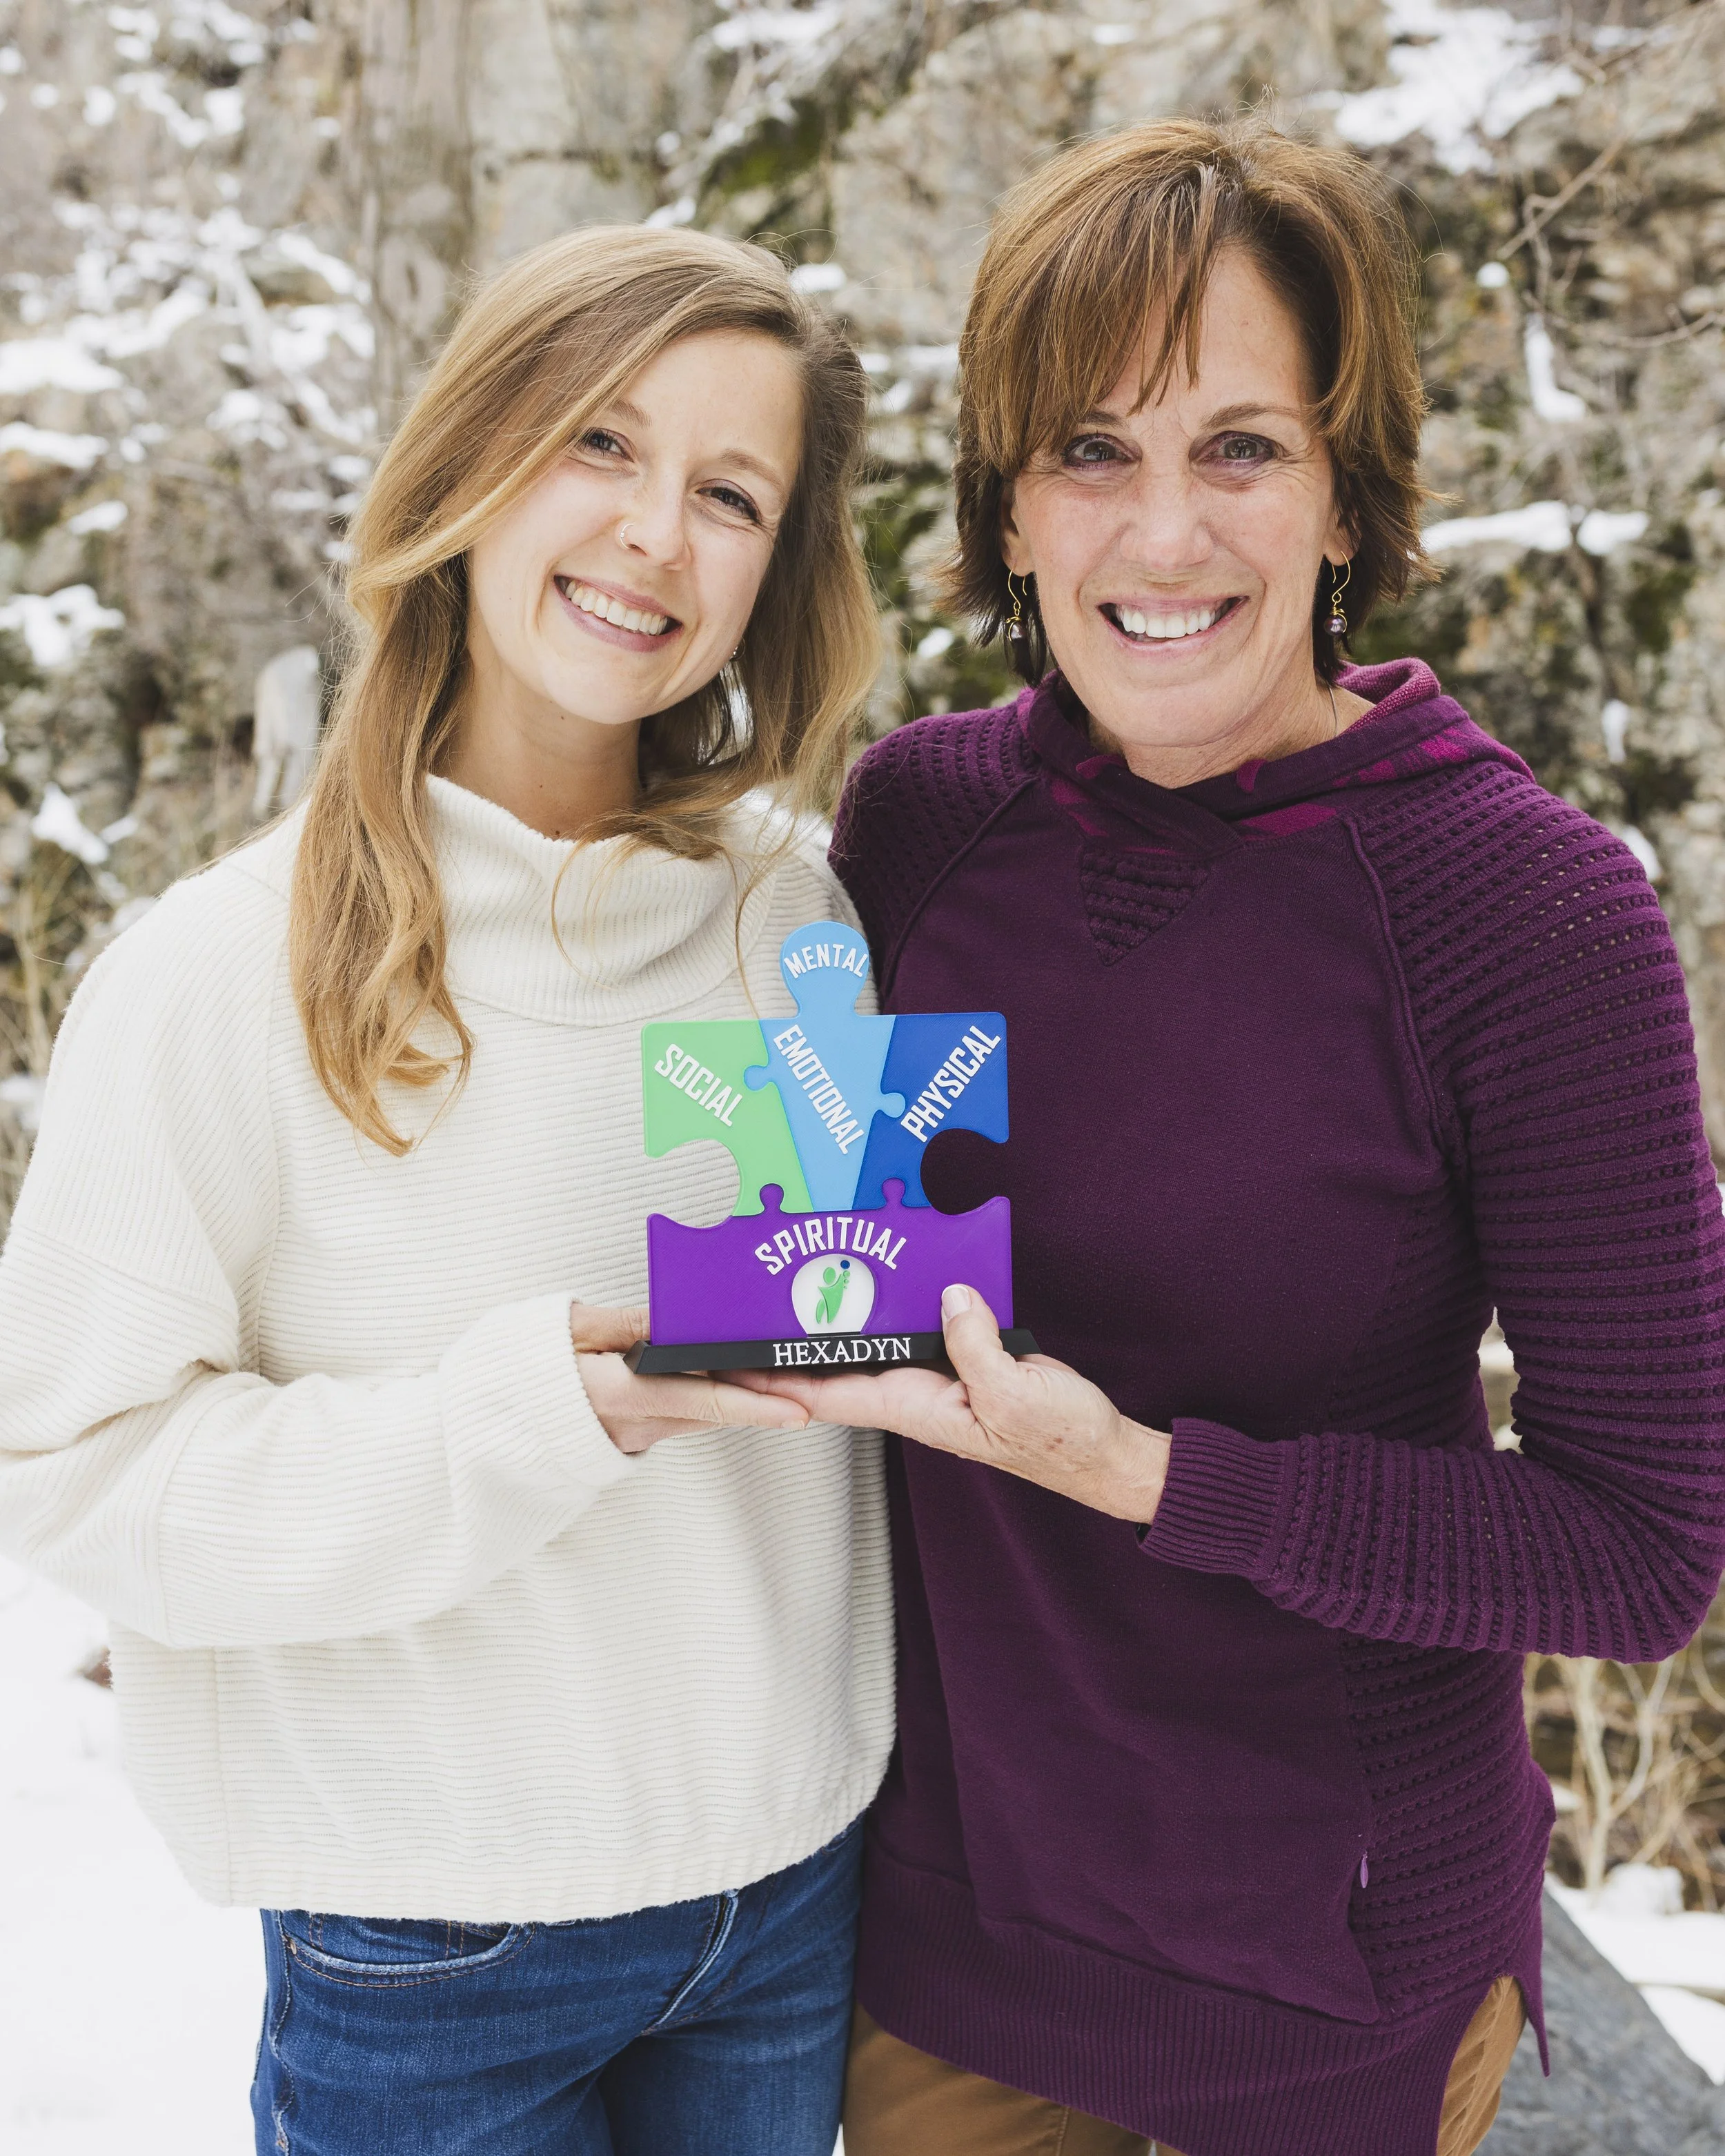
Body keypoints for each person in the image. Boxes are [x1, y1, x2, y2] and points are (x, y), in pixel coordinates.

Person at [742, 117, 1725, 2156]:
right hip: (945, 1953)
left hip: (1322, 1992)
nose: (1160, 533)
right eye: (1088, 451)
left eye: (1241, 448)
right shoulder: (913, 827)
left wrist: (1150, 1477)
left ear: (1347, 495)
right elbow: (850, 1255)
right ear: (1005, 513)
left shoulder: (1524, 912)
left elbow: (1643, 1552)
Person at [0, 225, 894, 2155]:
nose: (656, 531)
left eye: (728, 492)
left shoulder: (791, 918)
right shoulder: (218, 968)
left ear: (773, 570)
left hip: (789, 1895)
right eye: (597, 440)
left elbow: (827, 1333)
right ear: (470, 463)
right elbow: (74, 1472)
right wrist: (537, 1411)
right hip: (429, 1944)